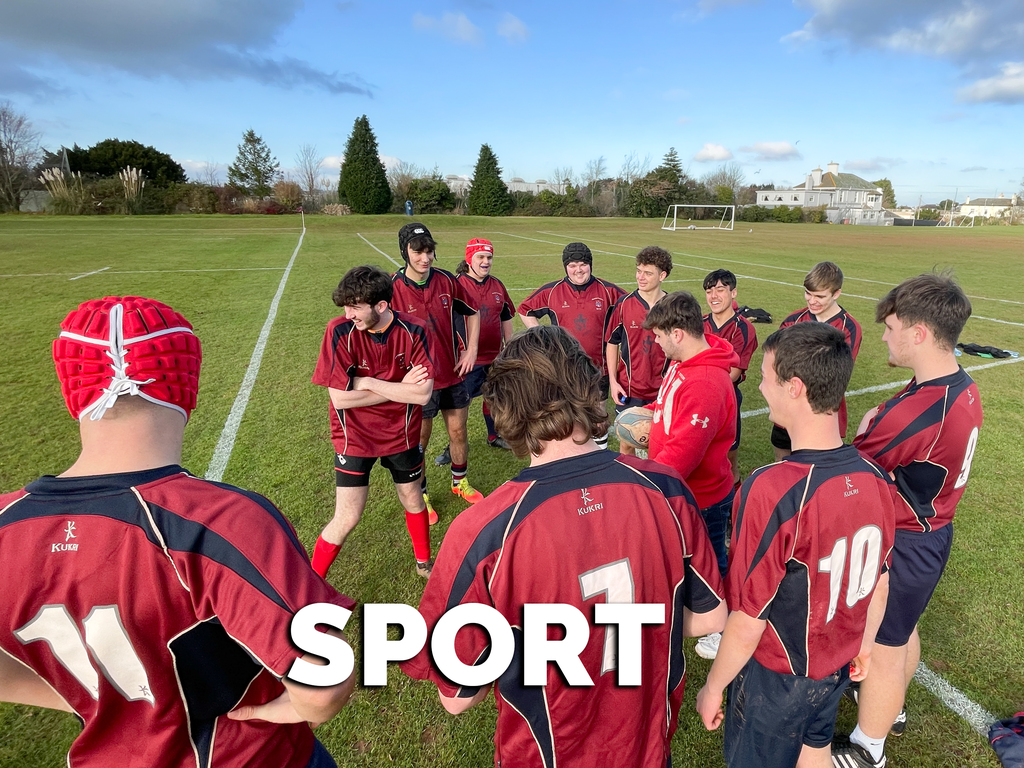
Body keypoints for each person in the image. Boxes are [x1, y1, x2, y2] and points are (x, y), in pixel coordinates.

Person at [0, 296, 355, 768]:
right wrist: (284, 709)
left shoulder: (7, 524)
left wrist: (102, 699)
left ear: (72, 391)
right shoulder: (221, 521)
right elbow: (323, 683)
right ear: (184, 381)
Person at [401, 325, 727, 768]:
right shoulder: (664, 488)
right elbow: (709, 614)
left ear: (501, 411)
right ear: (588, 389)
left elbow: (457, 695)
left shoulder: (485, 530)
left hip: (549, 753)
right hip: (646, 744)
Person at [696, 323, 896, 768]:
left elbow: (749, 617)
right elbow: (879, 582)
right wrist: (862, 643)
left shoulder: (774, 488)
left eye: (767, 376)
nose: (761, 385)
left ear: (795, 387)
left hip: (778, 676)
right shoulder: (876, 477)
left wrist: (712, 688)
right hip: (837, 664)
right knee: (814, 747)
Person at [832, 273, 983, 768]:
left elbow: (851, 471)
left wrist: (864, 428)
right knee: (901, 631)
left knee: (884, 647)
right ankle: (888, 712)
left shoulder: (922, 409)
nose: (882, 335)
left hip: (908, 538)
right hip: (932, 528)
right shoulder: (955, 383)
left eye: (891, 326)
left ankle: (867, 748)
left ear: (918, 333)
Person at [311, 265, 435, 578]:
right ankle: (311, 582)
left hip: (402, 433)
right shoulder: (338, 331)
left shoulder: (416, 331)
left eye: (355, 307)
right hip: (354, 436)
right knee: (348, 516)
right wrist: (399, 388)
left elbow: (421, 396)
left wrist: (365, 382)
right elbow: (339, 398)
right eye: (345, 306)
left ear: (381, 306)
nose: (348, 313)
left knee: (412, 498)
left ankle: (424, 563)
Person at [643, 291, 738, 665]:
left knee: (713, 560)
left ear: (678, 333)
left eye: (659, 335)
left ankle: (724, 626)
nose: (655, 341)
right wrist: (643, 414)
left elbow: (683, 454)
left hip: (702, 497)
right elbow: (667, 403)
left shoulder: (705, 383)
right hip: (683, 491)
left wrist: (642, 480)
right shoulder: (685, 362)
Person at [392, 222, 484, 521]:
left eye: (429, 251)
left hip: (451, 374)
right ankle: (422, 494)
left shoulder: (446, 280)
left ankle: (460, 483)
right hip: (418, 382)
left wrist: (470, 350)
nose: (425, 258)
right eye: (418, 252)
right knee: (420, 441)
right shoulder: (392, 287)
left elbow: (472, 312)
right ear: (405, 252)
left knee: (458, 431)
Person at [518, 241, 625, 449]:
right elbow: (525, 309)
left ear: (591, 265)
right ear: (566, 267)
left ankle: (599, 454)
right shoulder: (552, 291)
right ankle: (575, 454)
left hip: (598, 368)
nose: (578, 270)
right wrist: (543, 336)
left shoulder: (608, 291)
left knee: (599, 415)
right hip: (565, 367)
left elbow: (631, 306)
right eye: (573, 265)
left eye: (583, 264)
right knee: (568, 415)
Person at [435, 237, 515, 464]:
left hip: (495, 358)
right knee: (460, 407)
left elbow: (506, 316)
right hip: (467, 360)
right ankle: (453, 449)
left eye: (489, 257)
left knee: (494, 398)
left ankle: (494, 435)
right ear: (469, 258)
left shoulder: (497, 285)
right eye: (480, 257)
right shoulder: (455, 284)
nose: (486, 262)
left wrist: (509, 349)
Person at [771, 261, 861, 462]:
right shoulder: (793, 320)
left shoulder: (849, 327)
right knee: (783, 464)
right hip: (788, 407)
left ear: (836, 293)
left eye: (820, 296)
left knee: (817, 469)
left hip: (822, 412)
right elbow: (778, 364)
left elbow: (835, 373)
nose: (812, 301)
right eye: (808, 293)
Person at [605, 245, 672, 456]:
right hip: (629, 389)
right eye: (638, 271)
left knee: (661, 443)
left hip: (663, 390)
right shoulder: (624, 304)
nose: (640, 277)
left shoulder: (673, 306)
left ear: (663, 275)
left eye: (648, 273)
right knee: (626, 441)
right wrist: (614, 382)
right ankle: (631, 484)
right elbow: (612, 342)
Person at [703, 269, 759, 484]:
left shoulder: (743, 329)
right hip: (697, 397)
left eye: (720, 290)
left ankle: (730, 509)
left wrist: (699, 374)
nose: (714, 296)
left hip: (727, 398)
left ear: (733, 293)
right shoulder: (697, 324)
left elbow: (733, 373)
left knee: (728, 457)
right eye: (709, 291)